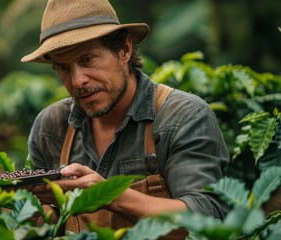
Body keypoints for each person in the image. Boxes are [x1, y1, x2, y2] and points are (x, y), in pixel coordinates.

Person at [21, 0, 229, 233]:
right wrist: (28, 209)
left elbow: (209, 215)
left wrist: (109, 195)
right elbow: (53, 221)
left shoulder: (181, 117)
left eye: (87, 60)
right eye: (63, 67)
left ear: (125, 50)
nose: (78, 80)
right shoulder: (51, 127)